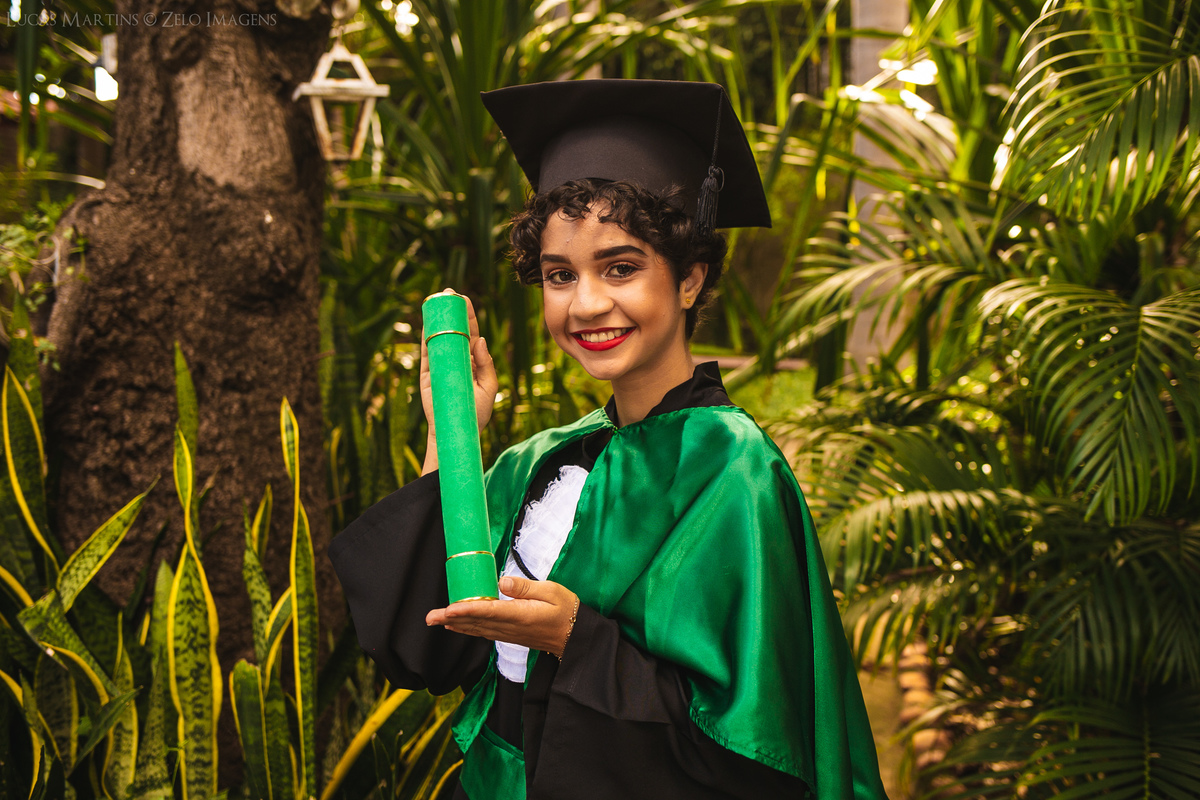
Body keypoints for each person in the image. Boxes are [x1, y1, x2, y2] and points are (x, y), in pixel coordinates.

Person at [329, 79, 889, 800]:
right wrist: (453, 435)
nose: (587, 303)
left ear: (689, 279)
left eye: (621, 267)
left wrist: (574, 639)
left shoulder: (734, 472)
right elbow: (426, 650)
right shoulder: (544, 461)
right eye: (560, 276)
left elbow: (751, 753)